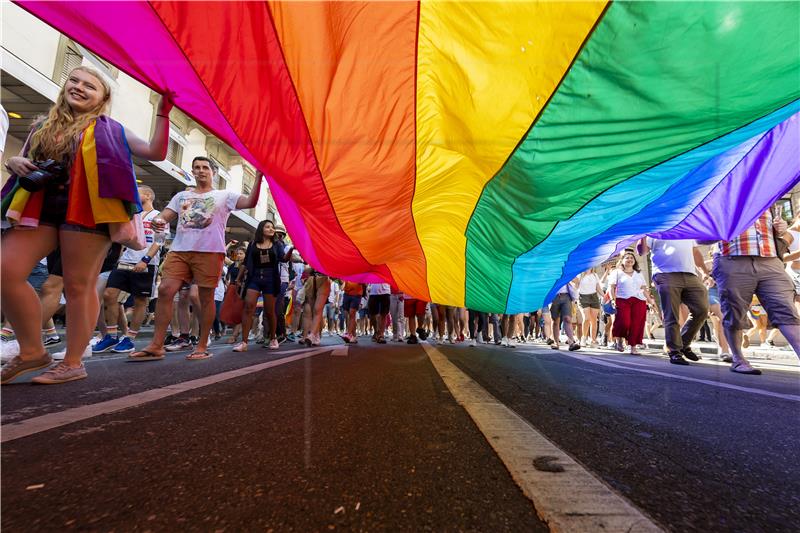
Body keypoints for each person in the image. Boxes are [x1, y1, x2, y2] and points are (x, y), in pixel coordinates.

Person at [1, 66, 172, 384]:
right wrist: (12, 162)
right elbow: (22, 162)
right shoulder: (42, 126)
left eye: (89, 86)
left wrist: (162, 114)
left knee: (79, 286)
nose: (78, 87)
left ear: (102, 98)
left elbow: (155, 152)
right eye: (74, 81)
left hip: (90, 211)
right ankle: (31, 351)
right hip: (42, 210)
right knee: (6, 270)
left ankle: (73, 362)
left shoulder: (112, 128)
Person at [129, 158, 262, 361]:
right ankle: (156, 345)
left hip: (210, 252)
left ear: (213, 173)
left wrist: (259, 177)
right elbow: (164, 216)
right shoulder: (182, 196)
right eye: (197, 168)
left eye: (205, 168)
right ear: (192, 171)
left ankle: (201, 345)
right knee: (165, 290)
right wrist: (158, 221)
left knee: (204, 298)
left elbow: (250, 202)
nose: (200, 171)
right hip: (180, 250)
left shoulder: (224, 195)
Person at [708, 208, 800, 374]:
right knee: (734, 312)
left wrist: (781, 227)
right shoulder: (720, 199)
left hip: (771, 262)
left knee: (786, 309)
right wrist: (721, 228)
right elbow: (701, 239)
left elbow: (777, 232)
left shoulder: (766, 198)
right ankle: (738, 359)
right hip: (732, 259)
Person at [95, 186, 162, 353]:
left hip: (146, 263)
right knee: (109, 295)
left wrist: (145, 260)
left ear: (147, 195)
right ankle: (111, 336)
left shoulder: (158, 216)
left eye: (138, 191)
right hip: (125, 261)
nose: (134, 193)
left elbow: (159, 241)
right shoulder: (132, 214)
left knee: (140, 301)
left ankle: (130, 339)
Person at [640, 237, 710, 365]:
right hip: (665, 274)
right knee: (671, 314)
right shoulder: (654, 231)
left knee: (702, 310)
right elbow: (642, 252)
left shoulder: (686, 228)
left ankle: (683, 343)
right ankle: (674, 350)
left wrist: (704, 271)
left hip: (690, 274)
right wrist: (642, 236)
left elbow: (695, 252)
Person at [234, 219, 293, 351]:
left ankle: (273, 338)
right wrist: (238, 278)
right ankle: (243, 343)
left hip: (270, 279)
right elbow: (245, 262)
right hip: (254, 278)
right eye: (268, 227)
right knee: (249, 307)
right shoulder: (253, 244)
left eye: (272, 227)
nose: (271, 229)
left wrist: (292, 249)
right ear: (261, 229)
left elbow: (284, 259)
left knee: (269, 311)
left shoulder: (277, 244)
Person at [608, 251, 653, 355]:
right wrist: (613, 300)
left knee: (637, 324)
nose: (630, 259)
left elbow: (643, 288)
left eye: (632, 258)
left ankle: (633, 347)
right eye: (627, 258)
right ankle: (619, 339)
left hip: (639, 300)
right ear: (622, 261)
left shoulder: (638, 273)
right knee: (624, 322)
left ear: (634, 261)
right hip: (622, 299)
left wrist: (650, 301)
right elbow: (611, 287)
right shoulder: (617, 272)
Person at [549, 282, 581, 351]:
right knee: (555, 320)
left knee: (567, 319)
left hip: (566, 295)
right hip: (553, 295)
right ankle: (556, 342)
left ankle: (571, 343)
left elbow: (576, 280)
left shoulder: (566, 270)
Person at [577, 268, 603, 346]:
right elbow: (576, 285)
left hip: (594, 297)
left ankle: (593, 340)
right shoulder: (580, 274)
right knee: (587, 318)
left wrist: (604, 296)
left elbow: (598, 287)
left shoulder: (595, 275)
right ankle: (584, 338)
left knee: (594, 320)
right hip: (583, 297)